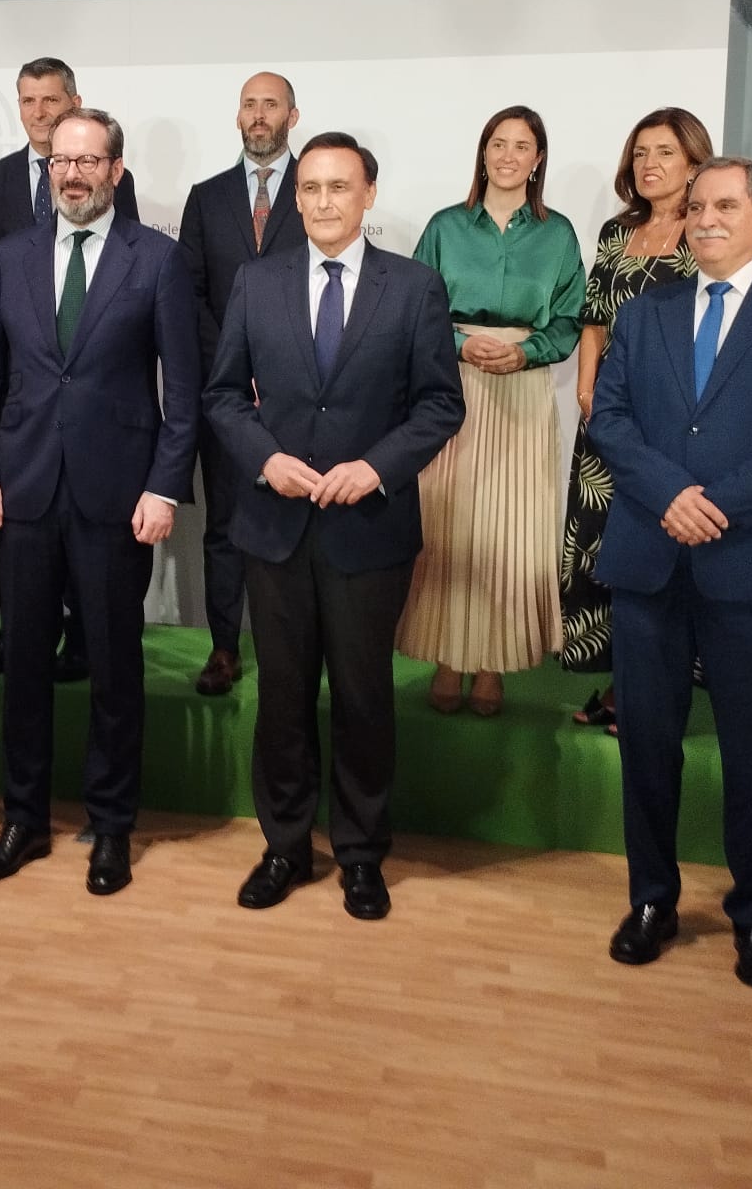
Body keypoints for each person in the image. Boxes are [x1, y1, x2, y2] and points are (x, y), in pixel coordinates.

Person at [589, 157, 752, 991]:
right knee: (649, 747)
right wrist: (672, 494)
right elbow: (612, 418)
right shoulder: (646, 310)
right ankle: (652, 902)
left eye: (725, 205)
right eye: (697, 206)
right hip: (651, 559)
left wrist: (714, 505)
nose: (705, 219)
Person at [206, 132, 463, 920]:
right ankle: (284, 846)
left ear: (368, 196)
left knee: (362, 698)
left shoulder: (414, 287)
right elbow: (219, 396)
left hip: (369, 530)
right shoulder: (256, 281)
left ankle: (359, 854)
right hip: (275, 524)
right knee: (281, 697)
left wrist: (376, 467)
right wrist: (265, 459)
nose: (321, 201)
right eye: (310, 188)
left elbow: (439, 404)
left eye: (338, 187)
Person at [0, 107, 199, 896]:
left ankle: (110, 826)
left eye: (89, 161)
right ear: (48, 168)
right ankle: (23, 821)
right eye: (62, 160)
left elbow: (185, 395)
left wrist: (165, 484)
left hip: (117, 496)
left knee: (111, 670)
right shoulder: (9, 256)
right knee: (24, 665)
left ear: (115, 172)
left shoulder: (157, 259)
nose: (73, 174)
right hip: (22, 492)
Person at [0, 58, 141, 680]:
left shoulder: (113, 179)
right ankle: (18, 639)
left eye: (50, 99)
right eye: (27, 100)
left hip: (92, 385)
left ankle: (85, 643)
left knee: (90, 554)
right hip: (22, 381)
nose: (38, 111)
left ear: (73, 101)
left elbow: (124, 273)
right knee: (26, 545)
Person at [396, 106, 584, 717]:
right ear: (483, 154)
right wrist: (457, 344)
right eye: (497, 144)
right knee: (451, 525)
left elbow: (570, 319)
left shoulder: (558, 235)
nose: (507, 155)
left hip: (522, 390)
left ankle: (494, 666)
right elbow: (415, 311)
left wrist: (528, 351)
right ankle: (449, 658)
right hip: (451, 389)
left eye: (521, 145)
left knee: (512, 530)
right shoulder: (446, 227)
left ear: (537, 160)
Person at [561, 108, 712, 732]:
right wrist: (587, 390)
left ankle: (654, 693)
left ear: (694, 163)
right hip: (607, 423)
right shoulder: (615, 233)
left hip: (672, 426)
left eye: (666, 153)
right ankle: (622, 682)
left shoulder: (707, 234)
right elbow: (594, 319)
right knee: (603, 553)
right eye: (642, 153)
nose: (650, 165)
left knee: (661, 556)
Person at [175, 71, 311, 696]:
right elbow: (191, 294)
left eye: (271, 105)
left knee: (295, 526)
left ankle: (294, 652)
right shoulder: (206, 197)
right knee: (225, 526)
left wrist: (276, 371)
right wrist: (235, 369)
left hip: (301, 394)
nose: (259, 116)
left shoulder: (316, 191)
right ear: (237, 117)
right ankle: (225, 647)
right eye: (250, 105)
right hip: (227, 398)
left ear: (293, 115)